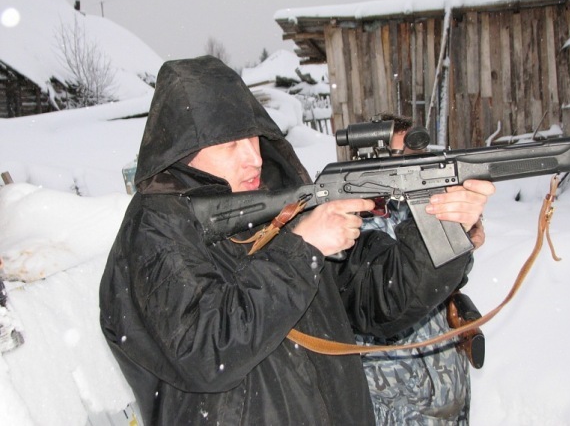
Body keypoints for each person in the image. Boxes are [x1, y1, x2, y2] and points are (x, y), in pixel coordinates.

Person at [99, 56, 495, 426]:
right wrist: (301, 249)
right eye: (230, 145)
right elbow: (205, 350)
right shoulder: (155, 230)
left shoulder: (282, 206)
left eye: (254, 139)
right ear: (183, 152)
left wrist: (444, 227)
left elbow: (380, 296)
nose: (254, 158)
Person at [356, 113, 484, 425]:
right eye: (400, 154)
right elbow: (384, 293)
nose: (411, 163)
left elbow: (448, 279)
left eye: (417, 153)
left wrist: (464, 239)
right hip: (391, 402)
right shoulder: (348, 222)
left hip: (446, 385)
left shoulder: (422, 204)